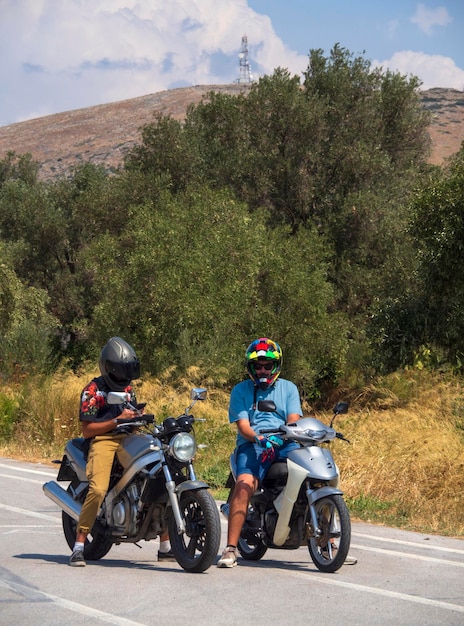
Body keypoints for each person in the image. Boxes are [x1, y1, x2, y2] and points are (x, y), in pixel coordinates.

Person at [69, 336, 173, 566]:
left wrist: (137, 416)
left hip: (128, 438)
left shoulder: (127, 387)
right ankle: (79, 544)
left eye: (128, 372)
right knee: (97, 489)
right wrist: (116, 420)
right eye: (120, 372)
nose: (125, 377)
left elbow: (129, 414)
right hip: (103, 440)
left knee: (155, 476)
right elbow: (87, 430)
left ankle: (166, 545)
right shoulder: (92, 390)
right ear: (108, 368)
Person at [217, 337, 302, 568]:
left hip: (285, 441)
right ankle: (231, 548)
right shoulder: (240, 390)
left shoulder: (289, 388)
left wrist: (287, 434)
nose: (263, 370)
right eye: (258, 365)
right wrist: (259, 438)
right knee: (244, 484)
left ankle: (331, 542)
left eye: (267, 365)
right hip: (254, 444)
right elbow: (243, 426)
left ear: (276, 365)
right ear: (251, 367)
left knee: (315, 478)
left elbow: (294, 419)